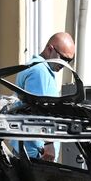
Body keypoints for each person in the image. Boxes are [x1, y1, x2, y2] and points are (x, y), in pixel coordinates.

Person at [14, 31, 75, 161]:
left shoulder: (42, 69)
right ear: (49, 49)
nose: (65, 64)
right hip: (36, 153)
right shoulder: (39, 71)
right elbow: (38, 110)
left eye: (69, 61)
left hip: (33, 150)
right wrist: (48, 144)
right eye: (63, 59)